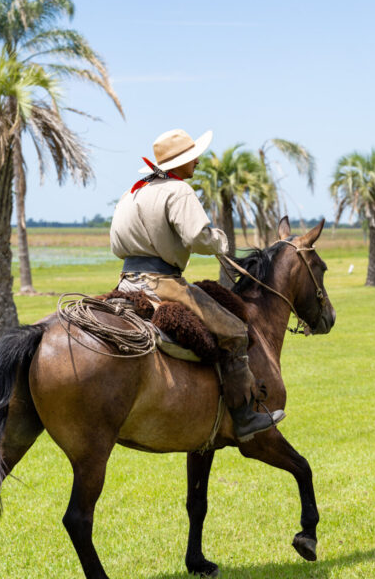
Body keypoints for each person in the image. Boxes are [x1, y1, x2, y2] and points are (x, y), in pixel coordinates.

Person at [109, 128, 283, 440]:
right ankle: (244, 416)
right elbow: (197, 237)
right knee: (235, 331)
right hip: (161, 283)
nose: (198, 161)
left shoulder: (132, 192)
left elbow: (115, 245)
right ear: (178, 162)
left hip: (126, 283)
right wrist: (220, 241)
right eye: (193, 157)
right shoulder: (179, 191)